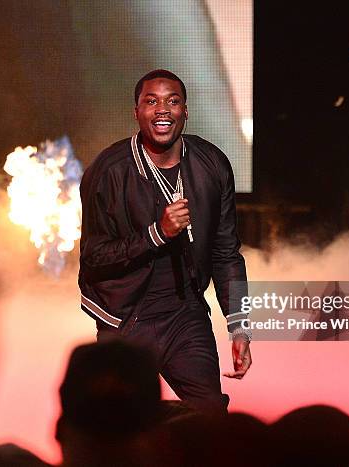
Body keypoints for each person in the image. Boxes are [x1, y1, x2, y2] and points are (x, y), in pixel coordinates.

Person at [78, 69, 251, 414]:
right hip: (124, 319)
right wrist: (157, 234)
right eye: (151, 101)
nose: (162, 110)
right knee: (119, 427)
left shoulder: (212, 164)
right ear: (136, 112)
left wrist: (239, 325)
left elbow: (226, 252)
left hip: (184, 314)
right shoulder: (109, 171)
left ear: (185, 111)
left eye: (172, 101)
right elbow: (94, 257)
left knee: (210, 416)